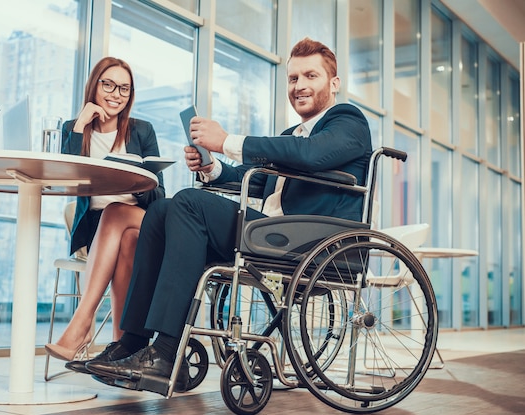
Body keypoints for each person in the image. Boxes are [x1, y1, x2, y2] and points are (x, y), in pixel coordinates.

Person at [78, 38, 373, 392]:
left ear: (334, 83)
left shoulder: (347, 121)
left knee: (188, 202)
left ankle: (168, 352)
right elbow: (257, 181)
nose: (300, 86)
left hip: (310, 239)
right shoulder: (290, 136)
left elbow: (311, 155)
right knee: (161, 209)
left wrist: (226, 140)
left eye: (311, 76)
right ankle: (134, 341)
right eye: (293, 79)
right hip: (269, 232)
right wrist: (212, 165)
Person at [44, 57, 165, 366]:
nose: (116, 94)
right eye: (108, 84)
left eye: (124, 88)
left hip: (142, 217)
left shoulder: (142, 131)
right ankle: (119, 347)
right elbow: (65, 180)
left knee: (116, 211)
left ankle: (81, 323)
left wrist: (138, 184)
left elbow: (159, 193)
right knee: (127, 241)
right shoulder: (75, 129)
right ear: (94, 86)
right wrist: (79, 126)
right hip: (101, 232)